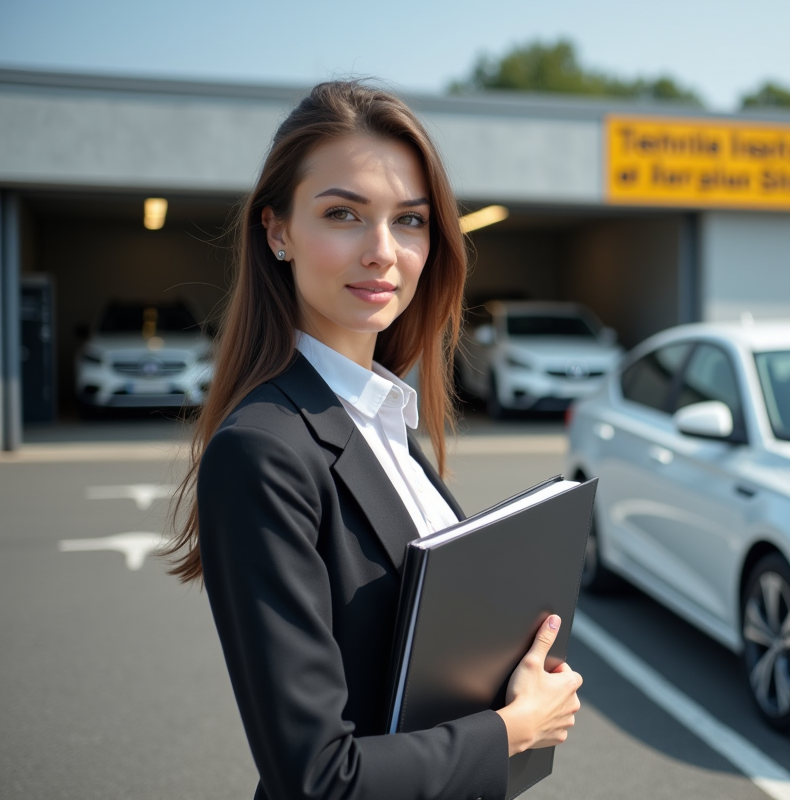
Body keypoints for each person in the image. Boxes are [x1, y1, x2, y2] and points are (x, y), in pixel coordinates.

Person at [162, 81, 582, 800]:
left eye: (409, 221)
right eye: (343, 214)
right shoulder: (263, 450)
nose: (383, 251)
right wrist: (513, 730)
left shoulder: (382, 419)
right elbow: (319, 778)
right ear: (277, 232)